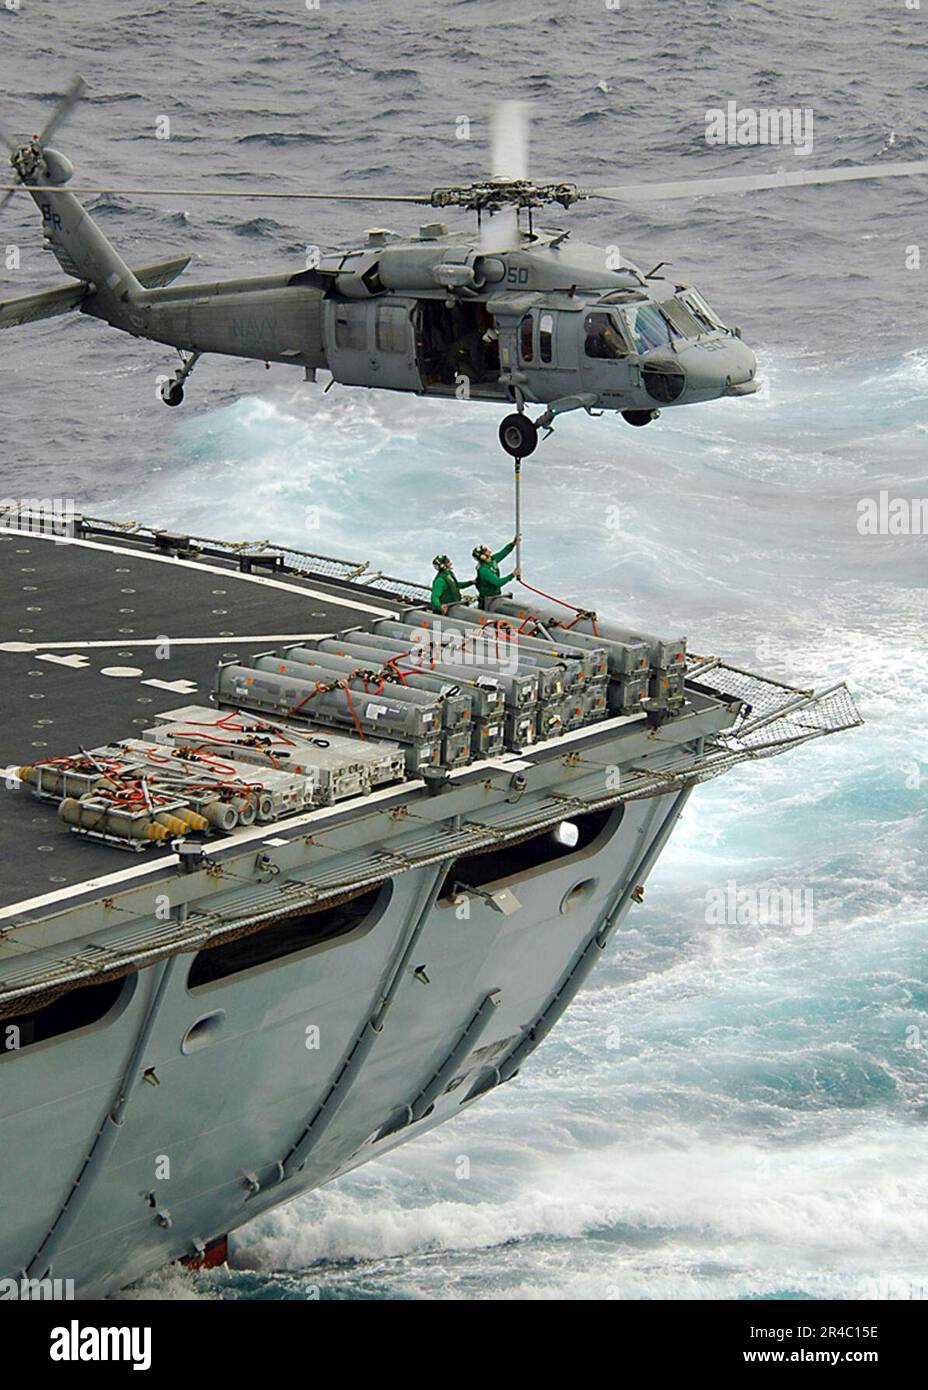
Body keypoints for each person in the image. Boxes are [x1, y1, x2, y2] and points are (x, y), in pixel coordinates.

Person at [472, 538, 521, 604]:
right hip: (488, 600)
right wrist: (512, 575)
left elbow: (503, 552)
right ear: (482, 556)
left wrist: (513, 543)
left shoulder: (492, 560)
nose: (490, 551)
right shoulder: (484, 570)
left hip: (496, 596)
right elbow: (498, 582)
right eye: (486, 551)